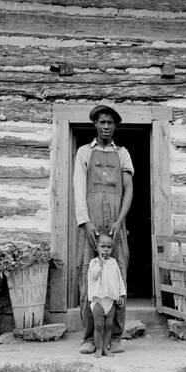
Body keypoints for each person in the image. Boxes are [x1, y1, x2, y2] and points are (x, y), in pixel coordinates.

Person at [73, 104, 134, 354]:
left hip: (116, 224)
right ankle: (89, 338)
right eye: (102, 122)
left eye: (110, 123)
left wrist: (120, 220)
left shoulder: (123, 153)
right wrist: (85, 221)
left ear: (115, 126)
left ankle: (116, 336)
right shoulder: (84, 153)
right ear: (95, 125)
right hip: (90, 223)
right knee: (88, 275)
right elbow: (78, 188)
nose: (106, 127)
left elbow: (128, 189)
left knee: (118, 275)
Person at [88, 234, 126, 358]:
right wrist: (100, 263)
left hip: (110, 300)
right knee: (99, 325)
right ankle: (98, 348)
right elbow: (93, 276)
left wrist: (120, 294)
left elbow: (119, 279)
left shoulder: (113, 263)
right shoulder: (94, 262)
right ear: (97, 248)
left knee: (109, 326)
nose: (106, 249)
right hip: (98, 300)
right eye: (102, 246)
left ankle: (105, 347)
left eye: (108, 247)